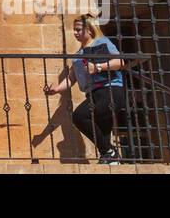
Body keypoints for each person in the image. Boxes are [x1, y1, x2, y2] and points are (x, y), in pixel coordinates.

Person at [44, 14, 126, 164]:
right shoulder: (77, 56)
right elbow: (71, 79)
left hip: (110, 90)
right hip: (93, 94)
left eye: (79, 29)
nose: (75, 33)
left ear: (89, 29)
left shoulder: (102, 42)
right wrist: (56, 89)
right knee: (103, 131)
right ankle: (109, 158)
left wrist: (98, 67)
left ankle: (109, 153)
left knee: (79, 116)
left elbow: (119, 61)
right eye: (74, 30)